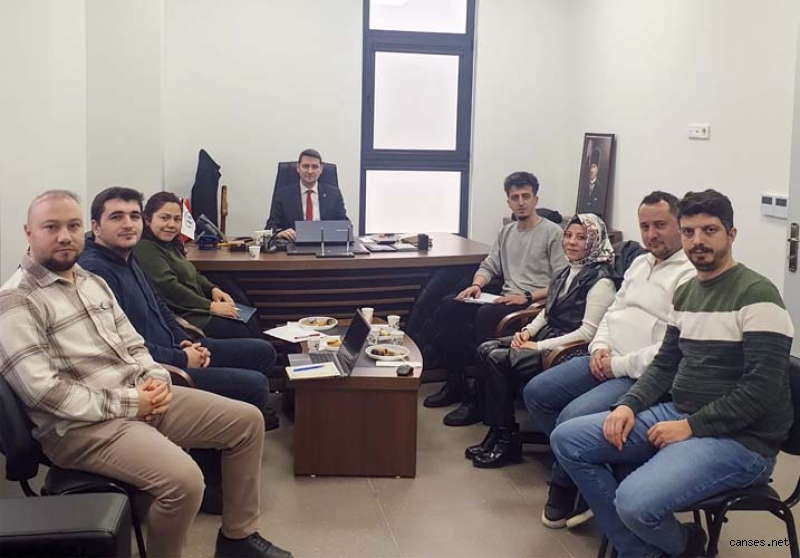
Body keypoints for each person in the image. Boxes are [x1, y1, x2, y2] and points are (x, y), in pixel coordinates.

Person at [0, 190, 292, 558]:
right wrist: (134, 402)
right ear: (28, 232)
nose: (64, 236)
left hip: (138, 397)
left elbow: (133, 344)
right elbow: (45, 393)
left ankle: (238, 538)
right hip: (80, 427)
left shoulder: (90, 281)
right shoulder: (16, 300)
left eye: (72, 226)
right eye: (51, 227)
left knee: (247, 422)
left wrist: (156, 380)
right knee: (185, 482)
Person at [551, 189, 793, 558]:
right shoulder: (687, 292)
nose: (698, 241)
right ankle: (672, 548)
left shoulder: (758, 295)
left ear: (731, 234)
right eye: (689, 232)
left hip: (742, 441)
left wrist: (691, 427)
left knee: (633, 502)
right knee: (568, 439)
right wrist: (629, 404)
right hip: (679, 412)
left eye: (709, 230)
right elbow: (666, 363)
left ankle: (671, 548)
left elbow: (761, 390)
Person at [79, 187, 281, 513]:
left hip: (175, 348)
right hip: (156, 370)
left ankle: (225, 453)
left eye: (133, 216)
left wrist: (183, 340)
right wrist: (181, 357)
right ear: (96, 227)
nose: (128, 224)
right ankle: (210, 480)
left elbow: (159, 306)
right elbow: (124, 346)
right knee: (254, 385)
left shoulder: (127, 257)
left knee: (261, 351)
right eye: (116, 217)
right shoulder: (97, 271)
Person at [523, 191, 695, 529]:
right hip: (603, 358)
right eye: (645, 226)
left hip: (637, 374)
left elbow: (668, 351)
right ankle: (588, 471)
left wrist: (616, 364)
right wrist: (599, 346)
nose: (651, 234)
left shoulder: (689, 275)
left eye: (660, 225)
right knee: (537, 393)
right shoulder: (640, 263)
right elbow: (613, 312)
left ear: (680, 225)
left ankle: (568, 484)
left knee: (571, 417)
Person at [466, 214, 617, 469]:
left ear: (594, 241)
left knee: (497, 359)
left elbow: (587, 333)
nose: (571, 242)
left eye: (581, 238)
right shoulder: (567, 270)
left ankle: (507, 440)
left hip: (569, 349)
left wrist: (537, 346)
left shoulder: (601, 281)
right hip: (549, 337)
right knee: (484, 350)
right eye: (568, 235)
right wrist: (527, 332)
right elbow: (546, 312)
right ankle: (497, 431)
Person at [424, 171, 567, 426]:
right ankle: (456, 383)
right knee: (449, 306)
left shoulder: (553, 233)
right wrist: (476, 285)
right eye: (515, 197)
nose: (521, 202)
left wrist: (526, 296)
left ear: (536, 199)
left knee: (485, 315)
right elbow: (490, 265)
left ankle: (479, 401)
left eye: (526, 196)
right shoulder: (507, 232)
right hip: (503, 299)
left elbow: (561, 281)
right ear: (508, 202)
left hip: (531, 305)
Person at [135, 191, 261, 339]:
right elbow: (169, 289)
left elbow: (192, 275)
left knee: (250, 320)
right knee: (240, 331)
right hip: (185, 317)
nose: (172, 224)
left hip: (197, 308)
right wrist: (211, 307)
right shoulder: (145, 248)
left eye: (177, 219)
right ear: (147, 218)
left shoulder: (170, 245)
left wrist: (212, 289)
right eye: (164, 218)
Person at [266, 148, 349, 241]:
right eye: (306, 166)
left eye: (315, 167)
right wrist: (279, 233)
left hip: (325, 245)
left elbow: (344, 225)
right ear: (298, 168)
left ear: (321, 169)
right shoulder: (283, 195)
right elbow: (271, 227)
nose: (310, 171)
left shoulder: (334, 194)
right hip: (293, 244)